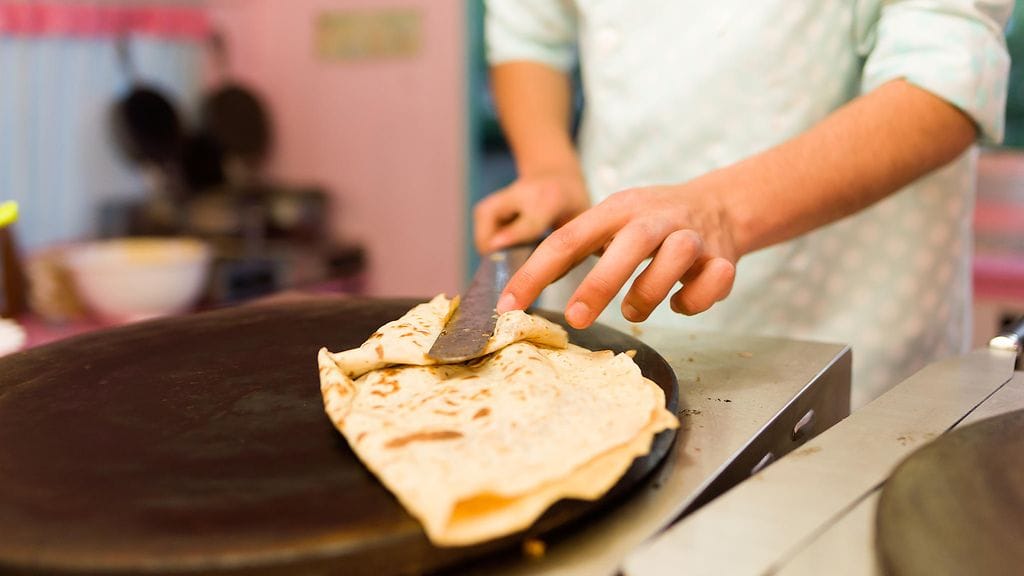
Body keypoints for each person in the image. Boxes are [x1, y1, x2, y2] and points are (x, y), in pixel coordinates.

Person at [474, 1, 1013, 408]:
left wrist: (719, 212)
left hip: (841, 312)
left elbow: (948, 75)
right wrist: (550, 166)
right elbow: (530, 34)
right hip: (609, 282)